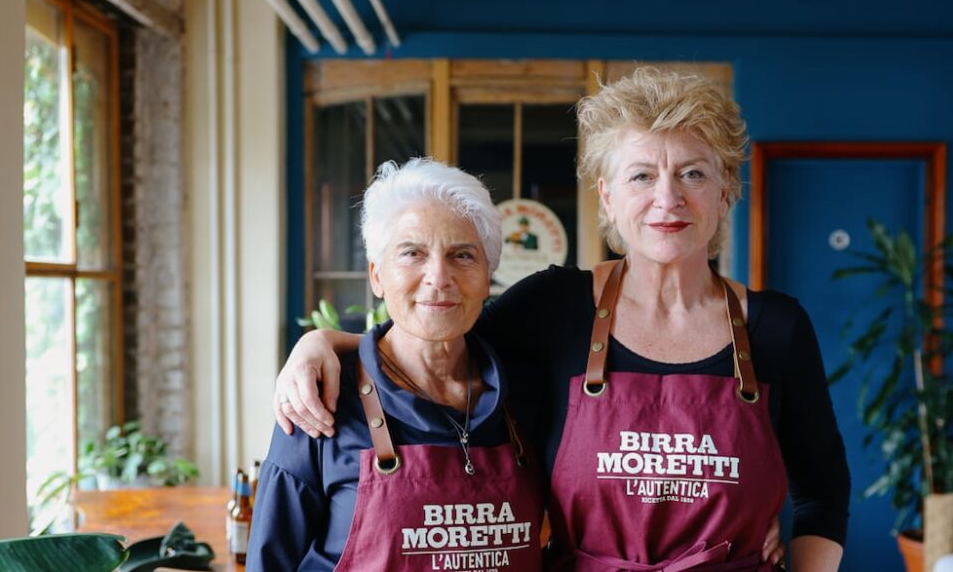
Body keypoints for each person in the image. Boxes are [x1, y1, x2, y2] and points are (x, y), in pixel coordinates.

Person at [274, 68, 849, 570]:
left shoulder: (777, 329)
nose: (667, 198)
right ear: (607, 198)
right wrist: (323, 342)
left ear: (726, 191)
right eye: (642, 175)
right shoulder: (554, 308)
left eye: (694, 174)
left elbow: (822, 492)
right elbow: (438, 328)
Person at [247, 159, 546, 570]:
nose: (438, 277)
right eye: (412, 253)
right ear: (377, 276)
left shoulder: (529, 392)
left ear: (487, 275)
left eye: (462, 255)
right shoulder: (320, 402)